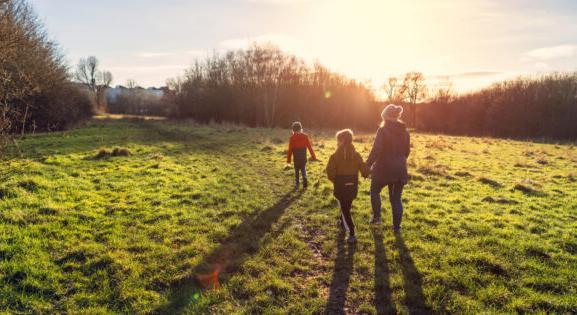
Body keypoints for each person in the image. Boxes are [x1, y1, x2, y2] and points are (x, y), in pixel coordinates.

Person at [366, 104, 411, 232]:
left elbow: (376, 150)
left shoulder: (382, 130)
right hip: (400, 170)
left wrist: (367, 165)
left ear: (385, 117)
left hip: (383, 169)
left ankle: (377, 218)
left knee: (375, 191)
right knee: (396, 198)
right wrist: (399, 162)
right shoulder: (405, 132)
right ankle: (397, 228)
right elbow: (407, 152)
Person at [326, 129, 370, 243]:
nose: (337, 143)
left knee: (345, 209)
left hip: (340, 185)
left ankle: (351, 233)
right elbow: (363, 168)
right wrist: (366, 173)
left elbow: (330, 171)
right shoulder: (357, 155)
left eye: (338, 141)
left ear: (342, 141)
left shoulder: (335, 156)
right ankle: (342, 221)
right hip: (353, 185)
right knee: (346, 206)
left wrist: (335, 180)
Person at [287, 121, 317, 189]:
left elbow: (290, 150)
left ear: (293, 130)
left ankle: (297, 184)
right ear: (301, 128)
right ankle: (305, 178)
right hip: (303, 157)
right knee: (303, 169)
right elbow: (310, 147)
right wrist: (314, 157)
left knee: (296, 171)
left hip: (296, 158)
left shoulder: (292, 138)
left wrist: (288, 161)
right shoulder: (305, 136)